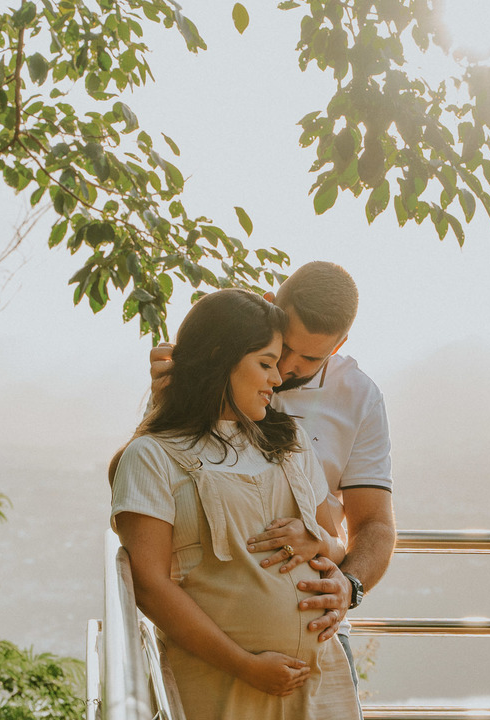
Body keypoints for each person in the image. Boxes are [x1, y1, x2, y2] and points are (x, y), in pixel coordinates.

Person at [111, 288, 377, 720]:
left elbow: (337, 546)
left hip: (319, 683)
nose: (279, 379)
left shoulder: (288, 442)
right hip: (222, 685)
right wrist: (245, 665)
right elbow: (148, 583)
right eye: (266, 363)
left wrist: (322, 545)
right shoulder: (152, 458)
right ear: (219, 358)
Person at [149, 261, 396, 683]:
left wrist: (348, 586)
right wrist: (166, 398)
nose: (287, 369)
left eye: (311, 358)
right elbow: (154, 467)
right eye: (283, 351)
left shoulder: (360, 399)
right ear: (270, 306)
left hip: (322, 634)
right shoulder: (216, 364)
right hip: (209, 641)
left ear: (339, 345)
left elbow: (374, 524)